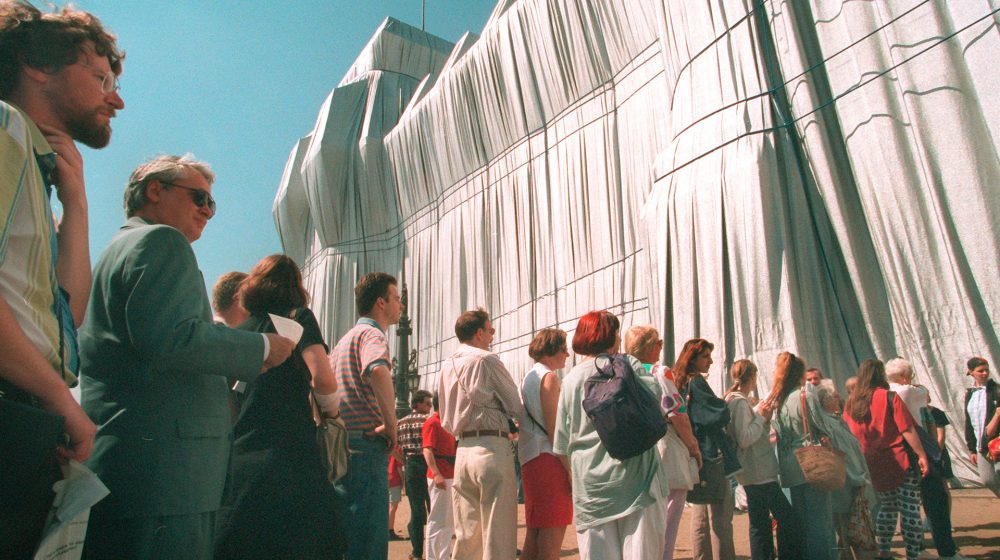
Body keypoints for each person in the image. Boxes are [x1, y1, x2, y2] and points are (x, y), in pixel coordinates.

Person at [80, 155, 295, 559]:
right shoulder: (161, 241)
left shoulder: (118, 247)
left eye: (212, 204)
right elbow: (172, 338)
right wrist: (263, 347)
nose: (207, 211)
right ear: (155, 191)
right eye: (199, 198)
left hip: (133, 467)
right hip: (167, 477)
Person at [0, 3, 122, 556]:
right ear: (36, 65)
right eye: (100, 77)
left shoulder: (33, 161)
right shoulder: (4, 130)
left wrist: (75, 201)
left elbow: (66, 315)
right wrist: (62, 401)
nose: (115, 98)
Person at [213, 254, 340, 559]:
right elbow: (322, 378)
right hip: (292, 453)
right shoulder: (298, 319)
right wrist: (332, 412)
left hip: (242, 461)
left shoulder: (238, 334)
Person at [553, 311, 668, 559]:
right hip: (638, 482)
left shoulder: (570, 380)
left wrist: (577, 480)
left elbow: (562, 445)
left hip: (592, 488)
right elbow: (656, 403)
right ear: (612, 336)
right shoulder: (628, 365)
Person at [437, 308, 524, 560]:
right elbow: (514, 404)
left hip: (462, 450)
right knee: (498, 534)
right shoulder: (487, 360)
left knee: (467, 534)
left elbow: (444, 415)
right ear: (479, 333)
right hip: (491, 448)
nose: (493, 333)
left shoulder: (446, 365)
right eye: (490, 329)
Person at [330, 272, 402, 560]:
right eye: (397, 299)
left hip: (342, 445)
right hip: (366, 445)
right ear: (381, 303)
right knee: (370, 538)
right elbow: (377, 369)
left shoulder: (343, 341)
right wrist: (391, 424)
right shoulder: (372, 335)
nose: (401, 305)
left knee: (349, 535)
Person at [623, 325, 700, 560]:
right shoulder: (660, 371)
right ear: (649, 346)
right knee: (669, 515)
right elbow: (678, 413)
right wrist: (693, 446)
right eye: (659, 342)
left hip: (635, 446)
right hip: (665, 444)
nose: (661, 347)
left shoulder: (623, 371)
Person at [842, 359, 930, 560]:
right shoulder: (890, 397)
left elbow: (848, 434)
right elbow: (906, 429)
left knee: (887, 507)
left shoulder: (851, 403)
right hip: (897, 459)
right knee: (910, 508)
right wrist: (921, 454)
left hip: (872, 462)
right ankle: (913, 554)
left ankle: (883, 550)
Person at [886, 357, 967, 559]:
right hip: (919, 446)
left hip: (897, 451)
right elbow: (924, 394)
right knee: (936, 500)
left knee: (909, 505)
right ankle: (947, 551)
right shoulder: (909, 391)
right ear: (905, 376)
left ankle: (918, 549)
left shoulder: (885, 394)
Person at [724, 359, 802, 560]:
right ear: (752, 377)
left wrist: (760, 418)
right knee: (787, 518)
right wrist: (760, 418)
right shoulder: (740, 402)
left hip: (751, 471)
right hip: (758, 471)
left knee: (759, 522)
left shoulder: (733, 400)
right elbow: (744, 438)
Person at [764, 351, 838, 560]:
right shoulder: (804, 394)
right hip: (812, 461)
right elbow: (821, 424)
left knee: (801, 520)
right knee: (820, 521)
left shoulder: (778, 399)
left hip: (789, 463)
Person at [673, 338, 737, 560]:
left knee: (699, 512)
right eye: (706, 356)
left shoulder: (679, 381)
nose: (710, 361)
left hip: (693, 453)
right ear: (693, 358)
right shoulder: (697, 382)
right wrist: (725, 404)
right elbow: (717, 414)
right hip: (710, 454)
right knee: (721, 516)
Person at [518, 328, 573, 560]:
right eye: (564, 349)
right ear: (552, 351)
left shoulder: (530, 376)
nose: (567, 355)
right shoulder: (549, 378)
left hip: (532, 459)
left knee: (536, 532)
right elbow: (555, 431)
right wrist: (570, 469)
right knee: (552, 535)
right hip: (548, 460)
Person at [813, 379, 873, 560]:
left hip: (846, 484)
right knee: (850, 532)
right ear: (828, 400)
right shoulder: (831, 425)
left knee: (846, 533)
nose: (839, 399)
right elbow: (846, 456)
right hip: (846, 486)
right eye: (836, 396)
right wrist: (859, 479)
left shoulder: (834, 421)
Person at [398, 389, 433, 559]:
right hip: (428, 465)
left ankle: (417, 552)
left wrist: (403, 460)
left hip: (411, 466)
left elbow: (392, 447)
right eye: (427, 403)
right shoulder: (429, 420)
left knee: (417, 510)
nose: (430, 406)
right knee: (434, 507)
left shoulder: (401, 422)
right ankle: (435, 549)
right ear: (417, 404)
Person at [422, 392, 456, 560]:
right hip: (441, 474)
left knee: (447, 520)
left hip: (448, 473)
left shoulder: (444, 423)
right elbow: (427, 449)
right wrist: (436, 474)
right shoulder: (432, 423)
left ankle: (442, 556)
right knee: (437, 518)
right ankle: (433, 557)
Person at [964, 356, 1000, 498]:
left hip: (996, 443)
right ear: (971, 372)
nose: (985, 373)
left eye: (987, 370)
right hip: (981, 445)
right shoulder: (970, 394)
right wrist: (972, 448)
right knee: (987, 479)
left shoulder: (996, 390)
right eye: (980, 371)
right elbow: (969, 422)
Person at [388, 449, 404, 541]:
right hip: (394, 480)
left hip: (386, 478)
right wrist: (402, 481)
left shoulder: (385, 448)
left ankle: (387, 529)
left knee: (389, 507)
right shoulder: (397, 449)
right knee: (393, 507)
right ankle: (390, 530)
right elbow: (398, 467)